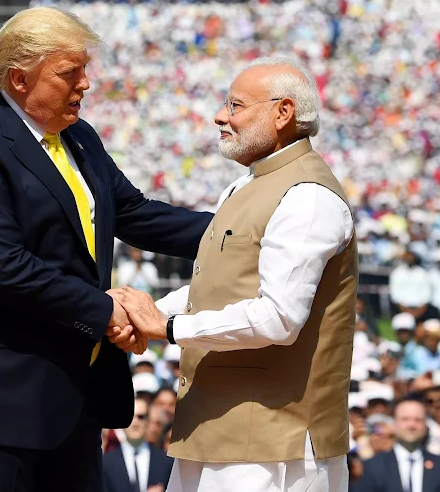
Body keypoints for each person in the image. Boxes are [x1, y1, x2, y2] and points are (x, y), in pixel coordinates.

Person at [0, 6, 212, 492]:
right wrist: (105, 310)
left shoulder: (77, 136)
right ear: (19, 78)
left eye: (85, 70)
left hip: (68, 397)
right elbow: (4, 269)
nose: (85, 84)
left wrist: (243, 232)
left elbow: (137, 214)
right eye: (69, 73)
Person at [110, 56, 358, 491]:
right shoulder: (246, 185)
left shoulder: (307, 196)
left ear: (283, 113)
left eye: (236, 104)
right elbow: (220, 287)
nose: (220, 116)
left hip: (272, 445)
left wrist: (167, 327)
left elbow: (278, 317)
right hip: (213, 430)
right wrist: (138, 311)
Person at [357, 399, 440, 492]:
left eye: (417, 420)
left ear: (426, 425)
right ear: (394, 423)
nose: (411, 425)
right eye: (405, 419)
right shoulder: (373, 465)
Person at [103, 398, 174, 492]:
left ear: (148, 420)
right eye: (130, 416)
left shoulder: (166, 462)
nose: (135, 422)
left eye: (140, 417)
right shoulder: (105, 462)